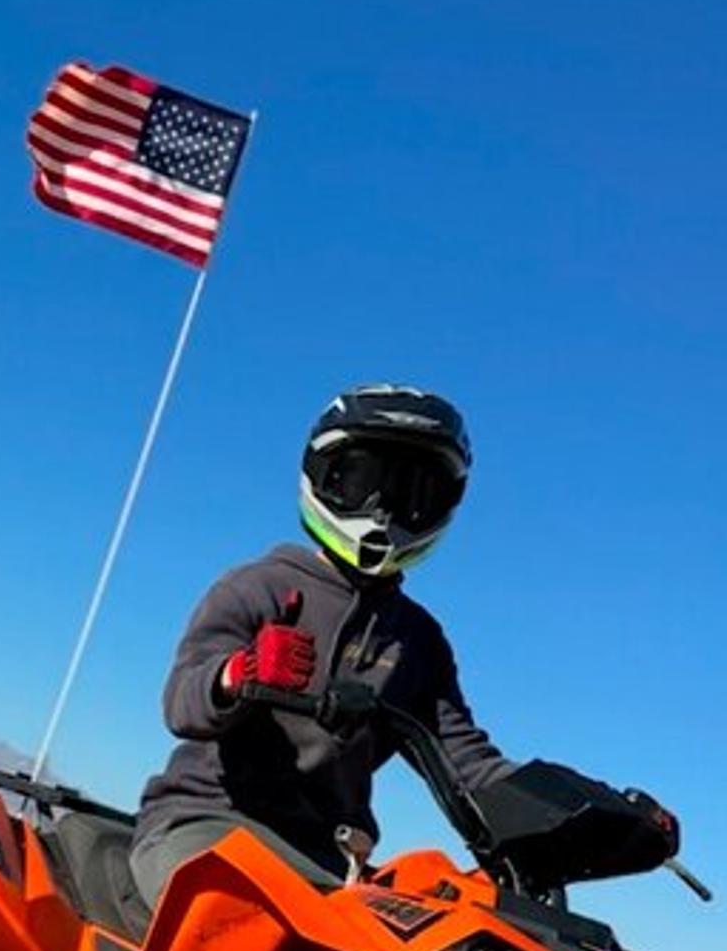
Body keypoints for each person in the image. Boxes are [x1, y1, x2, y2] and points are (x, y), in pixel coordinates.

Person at [130, 383, 673, 909]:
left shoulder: (418, 641)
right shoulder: (258, 587)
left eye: (413, 493)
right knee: (230, 926)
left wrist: (597, 817)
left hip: (327, 860)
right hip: (207, 823)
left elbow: (468, 766)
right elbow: (181, 702)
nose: (382, 510)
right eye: (363, 480)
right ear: (323, 476)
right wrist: (237, 675)